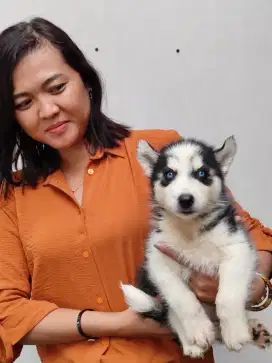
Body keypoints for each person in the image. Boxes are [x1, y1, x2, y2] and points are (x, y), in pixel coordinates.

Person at [0, 17, 271, 363]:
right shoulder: (12, 197)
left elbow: (253, 238)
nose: (47, 110)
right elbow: (8, 315)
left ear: (86, 80)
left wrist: (253, 288)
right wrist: (122, 324)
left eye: (56, 87)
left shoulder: (159, 155)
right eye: (24, 103)